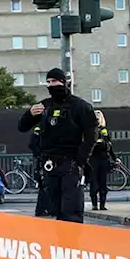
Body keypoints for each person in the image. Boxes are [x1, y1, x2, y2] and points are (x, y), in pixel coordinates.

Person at [18, 68, 97, 222]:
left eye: (54, 81)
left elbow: (91, 136)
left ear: (64, 82)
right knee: (53, 208)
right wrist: (29, 114)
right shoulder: (44, 106)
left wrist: (81, 160)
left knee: (71, 210)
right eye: (48, 82)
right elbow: (22, 127)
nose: (51, 85)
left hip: (70, 163)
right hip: (49, 164)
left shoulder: (80, 106)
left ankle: (71, 243)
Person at [87, 110, 116, 211]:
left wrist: (115, 158)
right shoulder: (90, 130)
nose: (97, 121)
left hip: (103, 160)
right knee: (94, 183)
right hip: (93, 160)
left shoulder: (104, 131)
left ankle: (102, 205)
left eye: (98, 119)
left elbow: (109, 146)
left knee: (103, 183)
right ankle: (94, 205)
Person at [29, 125, 49, 217]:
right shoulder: (39, 129)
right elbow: (32, 145)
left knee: (48, 185)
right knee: (44, 185)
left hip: (48, 159)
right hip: (42, 161)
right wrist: (41, 156)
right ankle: (41, 209)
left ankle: (47, 208)